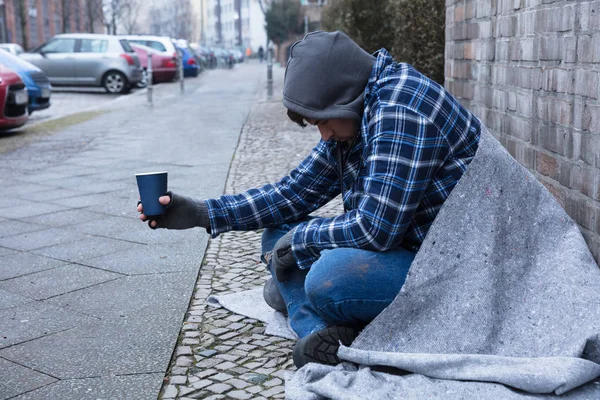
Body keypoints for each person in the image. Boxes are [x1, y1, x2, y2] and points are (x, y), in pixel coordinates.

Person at [137, 31, 481, 368]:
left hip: (453, 272)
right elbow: (293, 193)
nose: (324, 134)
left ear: (342, 95)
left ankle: (307, 310)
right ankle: (319, 334)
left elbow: (376, 229)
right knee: (278, 231)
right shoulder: (357, 108)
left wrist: (297, 245)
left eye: (323, 121)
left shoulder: (402, 108)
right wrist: (201, 212)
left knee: (325, 280)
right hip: (406, 249)